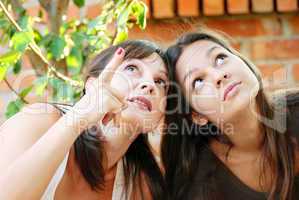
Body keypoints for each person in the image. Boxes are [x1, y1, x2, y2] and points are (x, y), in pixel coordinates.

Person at [0, 40, 170, 200]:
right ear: (91, 85)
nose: (149, 85)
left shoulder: (141, 183)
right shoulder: (39, 120)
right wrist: (79, 117)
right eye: (132, 68)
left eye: (160, 81)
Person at [162, 29, 299, 200]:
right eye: (198, 81)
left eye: (220, 59)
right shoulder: (201, 183)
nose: (219, 75)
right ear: (197, 115)